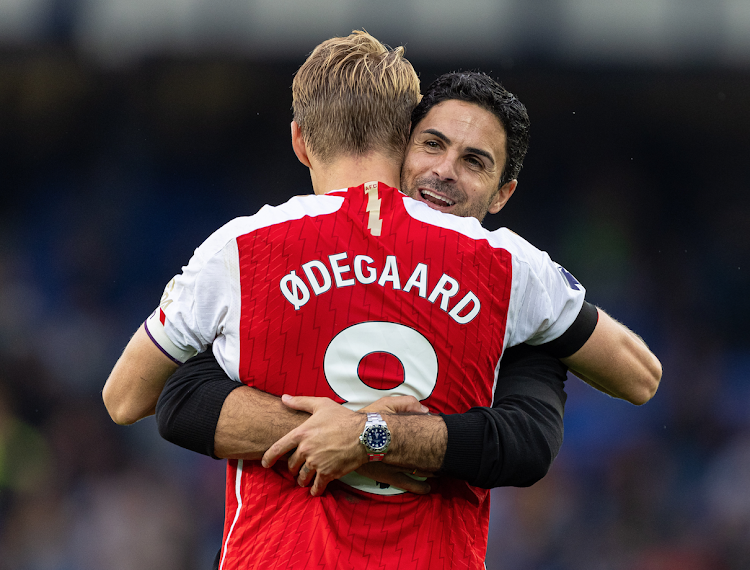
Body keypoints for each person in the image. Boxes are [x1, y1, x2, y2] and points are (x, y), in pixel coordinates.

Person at [103, 31, 661, 570]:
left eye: (474, 162)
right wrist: (365, 434)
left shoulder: (240, 249)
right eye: (436, 146)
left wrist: (360, 435)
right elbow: (640, 377)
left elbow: (126, 399)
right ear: (406, 140)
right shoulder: (512, 269)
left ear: (300, 140)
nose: (444, 171)